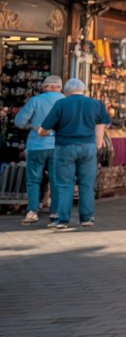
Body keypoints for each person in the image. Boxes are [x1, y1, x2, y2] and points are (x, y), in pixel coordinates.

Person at [36, 78, 109, 230]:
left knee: (64, 184)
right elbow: (100, 128)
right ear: (84, 90)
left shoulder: (61, 104)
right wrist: (97, 144)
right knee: (86, 183)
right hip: (88, 147)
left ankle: (62, 219)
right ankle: (87, 218)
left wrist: (42, 132)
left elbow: (44, 129)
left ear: (66, 91)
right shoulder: (96, 104)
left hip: (65, 147)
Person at [15, 75, 64, 225]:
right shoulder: (66, 101)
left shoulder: (35, 101)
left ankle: (32, 211)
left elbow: (19, 122)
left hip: (37, 145)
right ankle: (55, 213)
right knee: (56, 181)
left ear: (46, 87)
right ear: (59, 87)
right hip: (58, 146)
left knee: (33, 179)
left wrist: (34, 126)